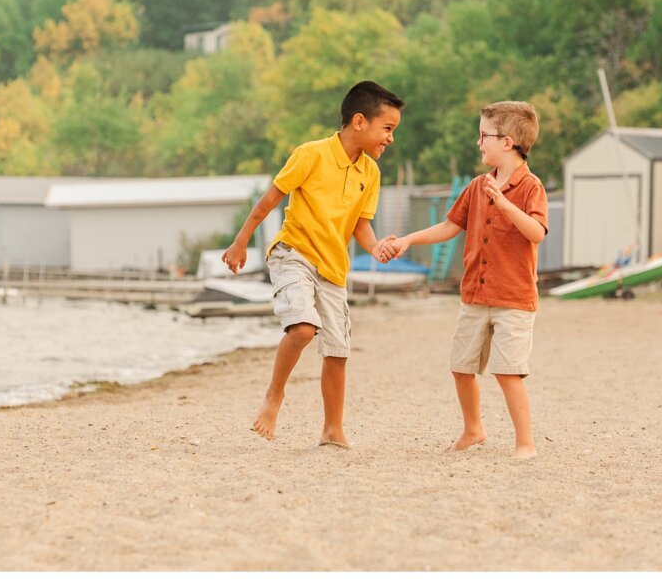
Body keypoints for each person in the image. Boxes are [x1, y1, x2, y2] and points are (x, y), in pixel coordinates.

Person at [222, 80, 404, 448]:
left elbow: (360, 226)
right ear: (358, 121)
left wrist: (377, 249)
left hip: (333, 268)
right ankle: (275, 395)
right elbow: (270, 200)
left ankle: (332, 429)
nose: (390, 139)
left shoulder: (370, 173)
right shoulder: (311, 154)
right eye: (387, 129)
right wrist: (241, 242)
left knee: (337, 351)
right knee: (303, 328)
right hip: (294, 253)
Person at [382, 101, 547, 459]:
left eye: (484, 135)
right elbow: (448, 227)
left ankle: (525, 442)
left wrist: (505, 205)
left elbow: (536, 232)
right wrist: (408, 240)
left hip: (514, 298)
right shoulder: (476, 187)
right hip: (474, 294)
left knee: (508, 373)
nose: (478, 142)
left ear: (508, 142)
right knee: (461, 367)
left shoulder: (531, 187)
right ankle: (474, 429)